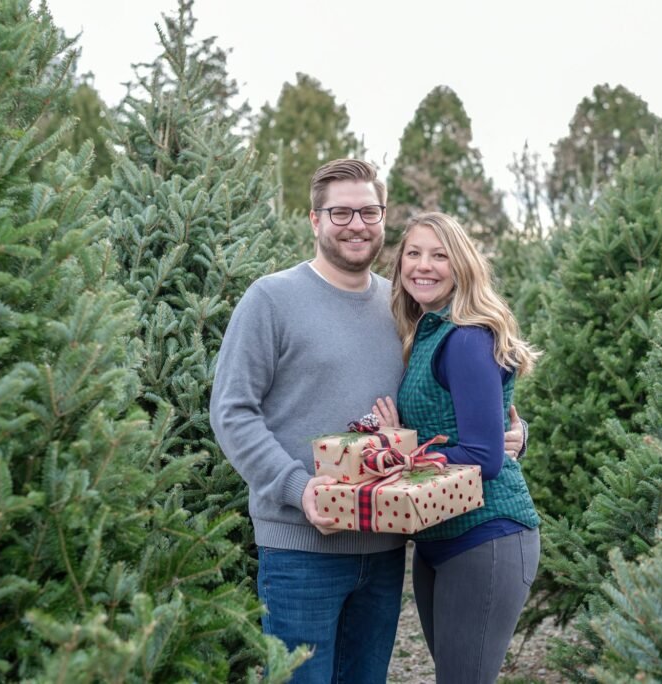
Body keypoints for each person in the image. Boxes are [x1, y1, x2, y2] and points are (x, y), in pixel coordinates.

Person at [210, 160, 525, 683]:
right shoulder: (271, 299)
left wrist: (513, 432)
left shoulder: (402, 304)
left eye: (369, 211)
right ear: (314, 220)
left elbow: (451, 396)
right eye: (340, 212)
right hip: (301, 546)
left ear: (383, 219)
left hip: (383, 548)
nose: (356, 224)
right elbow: (231, 409)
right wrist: (297, 487)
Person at [373, 211, 541, 684]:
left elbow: (485, 456)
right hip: (436, 538)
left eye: (439, 255)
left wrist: (399, 452)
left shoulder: (465, 338)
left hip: (485, 535)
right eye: (413, 253)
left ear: (461, 264)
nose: (423, 266)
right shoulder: (428, 331)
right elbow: (460, 424)